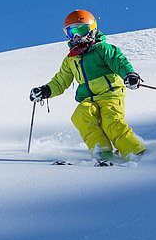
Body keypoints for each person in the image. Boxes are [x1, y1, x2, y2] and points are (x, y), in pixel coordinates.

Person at [29, 9, 146, 166]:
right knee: (81, 115)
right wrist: (44, 91)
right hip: (89, 99)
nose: (76, 36)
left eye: (80, 30)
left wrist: (129, 74)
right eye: (71, 32)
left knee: (111, 122)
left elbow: (119, 62)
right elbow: (60, 81)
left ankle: (137, 152)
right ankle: (103, 152)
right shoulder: (71, 59)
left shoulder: (103, 49)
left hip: (110, 95)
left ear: (92, 30)